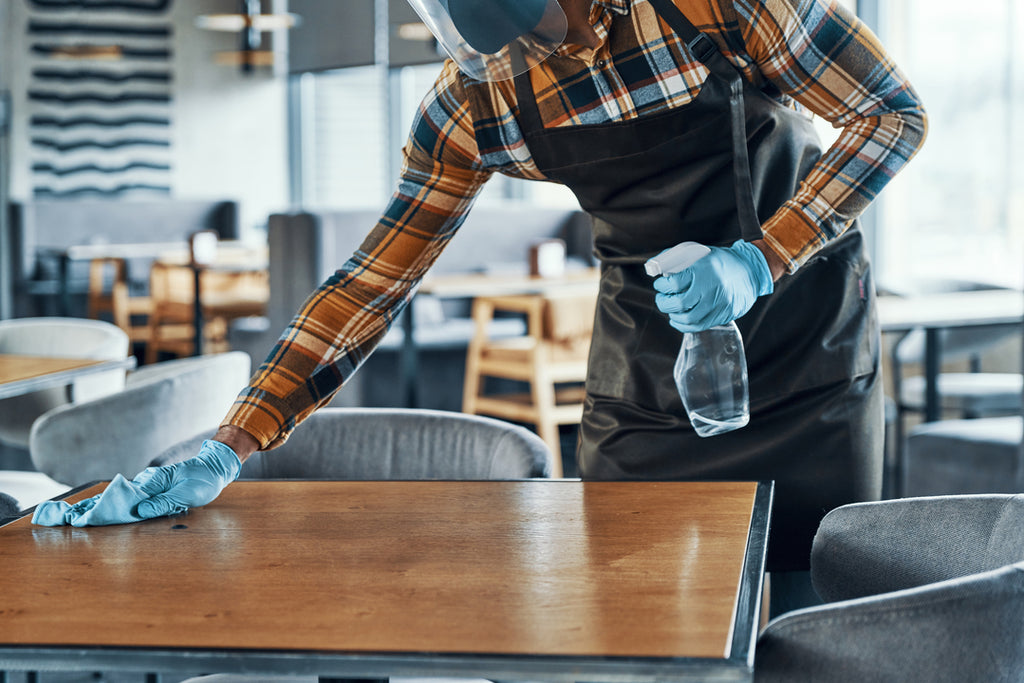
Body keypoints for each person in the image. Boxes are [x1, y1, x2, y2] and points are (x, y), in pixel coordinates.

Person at [36, 0, 926, 612]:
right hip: (647, 371)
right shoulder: (478, 98)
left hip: (804, 352)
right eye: (498, 45)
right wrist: (231, 440)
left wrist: (761, 259)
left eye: (543, 26)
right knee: (634, 618)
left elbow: (890, 114)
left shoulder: (707, 7)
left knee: (811, 614)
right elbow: (372, 281)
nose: (531, 59)